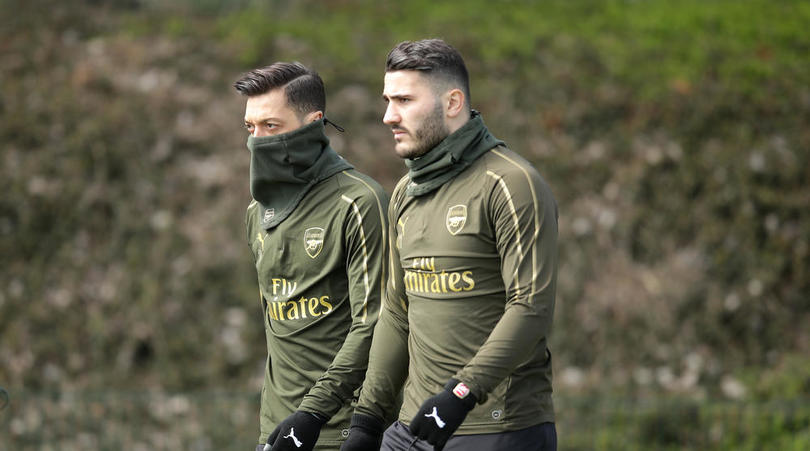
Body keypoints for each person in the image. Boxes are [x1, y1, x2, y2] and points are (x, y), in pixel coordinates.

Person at [340, 39, 559, 451]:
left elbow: (531, 306)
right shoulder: (405, 192)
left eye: (404, 99)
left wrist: (461, 393)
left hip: (497, 428)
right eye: (388, 100)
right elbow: (397, 310)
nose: (388, 115)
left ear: (453, 102)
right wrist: (367, 420)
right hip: (411, 429)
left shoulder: (511, 184)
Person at [233, 62, 389, 451]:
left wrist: (312, 413)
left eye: (272, 127)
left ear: (313, 123)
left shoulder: (359, 202)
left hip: (339, 432)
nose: (257, 140)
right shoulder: (257, 211)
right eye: (250, 128)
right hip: (274, 433)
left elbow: (374, 325)